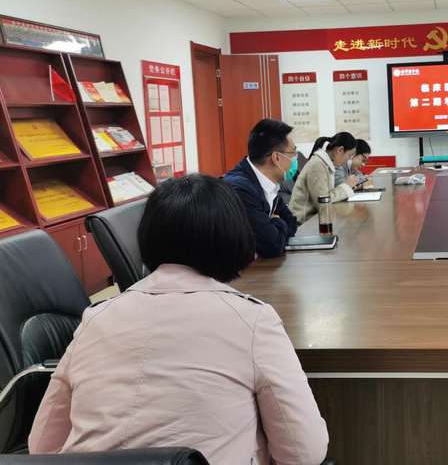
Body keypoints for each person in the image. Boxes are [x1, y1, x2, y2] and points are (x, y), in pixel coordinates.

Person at [28, 175, 328, 465]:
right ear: (236, 239)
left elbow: (42, 447)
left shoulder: (96, 318)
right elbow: (304, 452)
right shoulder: (253, 320)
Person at [223, 118, 299, 258]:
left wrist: (273, 224)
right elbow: (272, 245)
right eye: (293, 153)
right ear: (276, 157)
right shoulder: (241, 190)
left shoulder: (268, 184)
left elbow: (291, 222)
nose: (296, 158)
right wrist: (276, 221)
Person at [290, 131, 358, 224]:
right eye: (349, 155)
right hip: (303, 221)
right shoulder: (317, 165)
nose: (348, 160)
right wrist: (346, 186)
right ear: (340, 150)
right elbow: (323, 203)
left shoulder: (325, 163)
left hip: (315, 218)